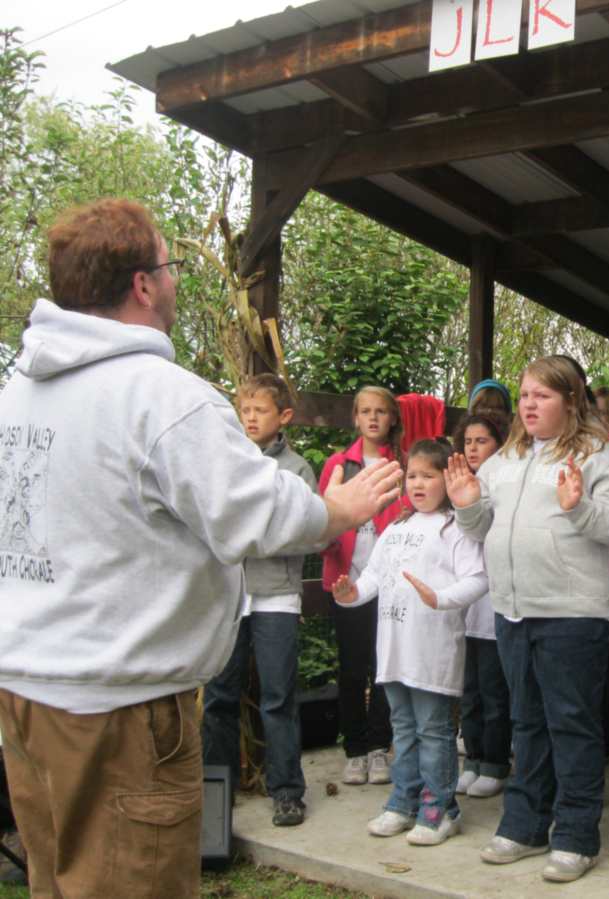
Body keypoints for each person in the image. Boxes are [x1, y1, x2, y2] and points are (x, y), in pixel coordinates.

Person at [0, 199, 401, 898]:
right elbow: (252, 510)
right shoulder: (161, 396)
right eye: (170, 265)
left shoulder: (18, 393)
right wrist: (338, 509)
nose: (176, 279)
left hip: (26, 697)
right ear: (142, 284)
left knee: (57, 883)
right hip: (118, 709)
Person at [448, 356, 609, 883]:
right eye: (525, 395)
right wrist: (466, 505)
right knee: (526, 722)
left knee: (571, 725)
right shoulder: (504, 459)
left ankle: (577, 837)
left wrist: (580, 509)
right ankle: (525, 826)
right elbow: (479, 528)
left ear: (571, 400)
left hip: (573, 614)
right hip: (512, 610)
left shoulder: (599, 456)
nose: (529, 405)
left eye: (542, 395)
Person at [332, 440, 488, 846]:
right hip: (395, 652)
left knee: (433, 730)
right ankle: (403, 801)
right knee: (402, 729)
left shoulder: (455, 528)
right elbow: (372, 577)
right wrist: (351, 594)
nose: (418, 484)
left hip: (432, 652)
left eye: (428, 476)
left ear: (448, 480)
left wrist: (440, 598)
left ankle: (441, 809)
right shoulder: (396, 528)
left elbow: (477, 579)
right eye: (413, 476)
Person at [201, 373, 318, 828]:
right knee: (219, 697)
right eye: (245, 410)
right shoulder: (224, 461)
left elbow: (309, 531)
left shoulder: (297, 470)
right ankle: (216, 798)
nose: (250, 418)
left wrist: (249, 536)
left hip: (277, 598)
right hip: (227, 596)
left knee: (278, 698)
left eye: (260, 411)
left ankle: (287, 792)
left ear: (283, 416)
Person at [320, 386, 406, 786]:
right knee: (353, 668)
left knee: (385, 666)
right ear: (355, 418)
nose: (373, 418)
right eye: (366, 411)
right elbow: (322, 517)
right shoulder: (338, 465)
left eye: (381, 411)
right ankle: (354, 749)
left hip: (390, 584)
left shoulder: (402, 464)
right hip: (347, 581)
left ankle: (378, 746)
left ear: (392, 418)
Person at [452, 411, 513, 798]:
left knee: (494, 693)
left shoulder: (503, 486)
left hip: (494, 609)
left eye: (482, 441)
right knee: (470, 692)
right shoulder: (454, 487)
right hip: (465, 612)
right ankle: (472, 760)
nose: (473, 448)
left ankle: (495, 763)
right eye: (468, 442)